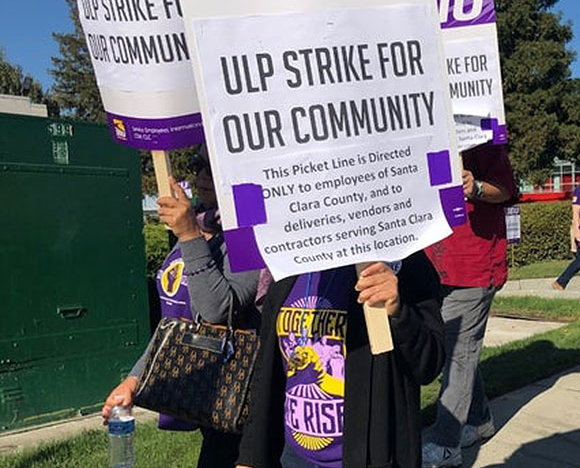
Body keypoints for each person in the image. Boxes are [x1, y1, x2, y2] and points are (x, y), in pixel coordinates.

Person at [101, 151, 260, 468]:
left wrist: (189, 236)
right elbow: (177, 321)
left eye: (212, 167)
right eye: (198, 165)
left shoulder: (248, 225)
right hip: (208, 399)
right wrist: (134, 381)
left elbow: (216, 310)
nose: (202, 175)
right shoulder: (201, 221)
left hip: (241, 407)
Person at [235, 256, 446, 468]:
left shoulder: (400, 260)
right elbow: (267, 371)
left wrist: (399, 312)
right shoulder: (288, 262)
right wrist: (250, 456)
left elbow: (429, 363)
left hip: (370, 455)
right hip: (294, 457)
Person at [421, 143, 519, 468]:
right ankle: (479, 420)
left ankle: (445, 443)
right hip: (433, 265)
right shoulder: (426, 136)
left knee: (458, 353)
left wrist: (474, 186)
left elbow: (505, 189)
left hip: (473, 266)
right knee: (459, 352)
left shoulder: (483, 140)